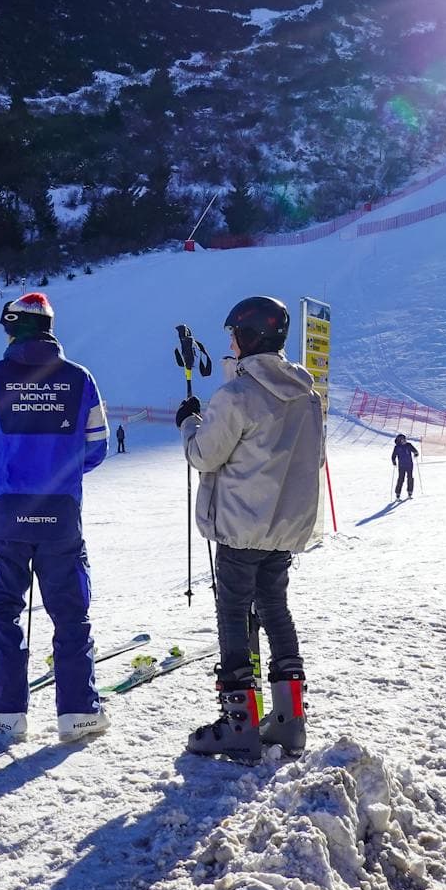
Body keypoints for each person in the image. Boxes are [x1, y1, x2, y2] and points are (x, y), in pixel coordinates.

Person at [0, 291, 110, 742]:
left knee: (3, 612)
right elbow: (97, 447)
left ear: (13, 327)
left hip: (5, 515)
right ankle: (79, 714)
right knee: (71, 614)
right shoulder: (80, 379)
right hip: (60, 514)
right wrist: (60, 469)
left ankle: (6, 715)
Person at [177, 295, 323, 762]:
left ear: (247, 336)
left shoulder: (236, 395)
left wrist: (189, 425)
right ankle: (288, 718)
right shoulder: (307, 393)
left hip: (241, 526)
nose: (231, 345)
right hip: (284, 526)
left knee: (234, 614)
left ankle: (238, 722)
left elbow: (204, 455)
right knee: (275, 609)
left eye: (234, 336)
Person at [390, 433, 419, 500]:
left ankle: (410, 492)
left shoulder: (408, 445)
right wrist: (394, 461)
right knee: (401, 479)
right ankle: (398, 494)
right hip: (401, 466)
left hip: (409, 465)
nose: (404, 441)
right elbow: (393, 456)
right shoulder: (397, 447)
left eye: (405, 439)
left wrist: (416, 454)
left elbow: (415, 451)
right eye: (403, 440)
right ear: (399, 440)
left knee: (410, 478)